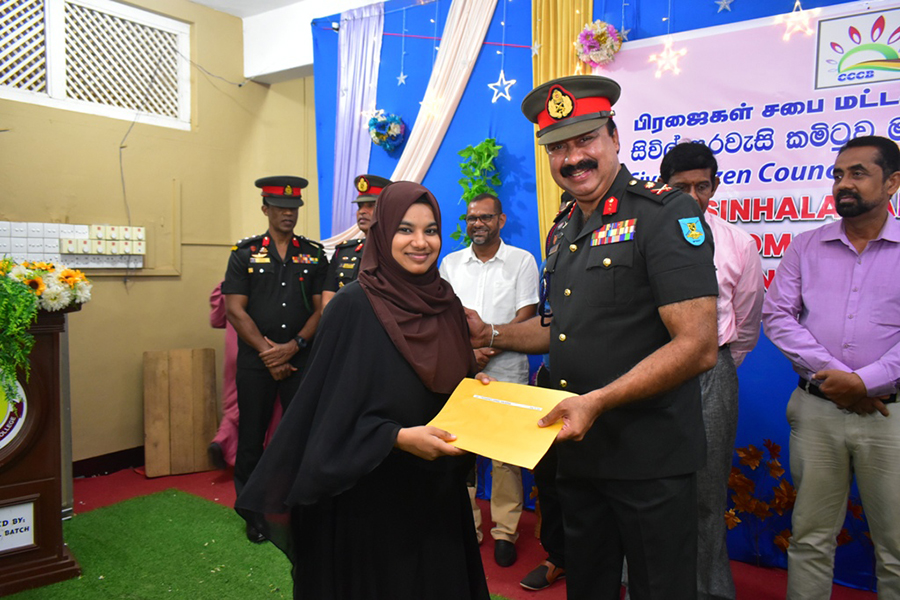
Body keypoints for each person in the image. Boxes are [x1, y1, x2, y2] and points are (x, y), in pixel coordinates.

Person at [467, 75, 719, 600]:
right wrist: (490, 332)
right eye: (558, 147)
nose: (573, 158)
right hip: (576, 451)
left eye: (585, 140)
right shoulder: (562, 229)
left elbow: (697, 344)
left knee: (661, 590)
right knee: (588, 586)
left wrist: (598, 401)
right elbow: (560, 327)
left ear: (615, 136)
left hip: (649, 456)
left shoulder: (665, 213)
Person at [235, 181, 490, 600]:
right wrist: (395, 437)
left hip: (436, 495)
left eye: (431, 230)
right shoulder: (353, 306)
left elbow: (450, 383)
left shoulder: (446, 302)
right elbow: (326, 416)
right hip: (369, 496)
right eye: (405, 229)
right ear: (382, 231)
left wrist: (475, 392)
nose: (420, 243)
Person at [762, 135, 900, 599]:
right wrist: (836, 379)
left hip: (890, 417)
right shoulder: (806, 246)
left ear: (893, 182)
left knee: (896, 548)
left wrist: (865, 382)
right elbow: (777, 315)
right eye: (839, 174)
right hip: (817, 411)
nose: (844, 183)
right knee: (811, 538)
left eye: (858, 173)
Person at [659, 142, 765, 600]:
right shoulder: (646, 234)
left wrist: (714, 365)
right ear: (664, 187)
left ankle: (709, 590)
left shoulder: (738, 243)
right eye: (680, 186)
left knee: (706, 492)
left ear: (715, 186)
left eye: (702, 186)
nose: (692, 196)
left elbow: (746, 320)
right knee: (648, 485)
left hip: (712, 374)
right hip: (650, 373)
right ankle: (642, 581)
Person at [222, 175, 328, 542]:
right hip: (257, 362)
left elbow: (321, 309)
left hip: (300, 360)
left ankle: (299, 507)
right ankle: (252, 511)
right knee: (252, 436)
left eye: (294, 208)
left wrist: (294, 345)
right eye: (280, 207)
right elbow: (235, 310)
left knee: (300, 435)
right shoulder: (245, 254)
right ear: (265, 208)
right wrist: (270, 353)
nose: (288, 213)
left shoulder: (313, 254)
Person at [439, 192, 539, 568]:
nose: (476, 224)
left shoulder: (521, 261)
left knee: (504, 456)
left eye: (484, 217)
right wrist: (468, 353)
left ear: (501, 220)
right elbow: (443, 318)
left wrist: (485, 347)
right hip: (458, 369)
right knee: (459, 452)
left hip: (506, 370)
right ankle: (469, 527)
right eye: (471, 218)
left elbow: (526, 317)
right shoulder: (451, 263)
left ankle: (504, 532)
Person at [207, 281, 283, 470]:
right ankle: (268, 459)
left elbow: (217, 318)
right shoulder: (279, 283)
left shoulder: (233, 281)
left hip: (236, 349)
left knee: (237, 400)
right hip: (264, 346)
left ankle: (222, 440)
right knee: (273, 405)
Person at [322, 174, 392, 307]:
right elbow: (327, 302)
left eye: (371, 205)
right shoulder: (344, 252)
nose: (362, 212)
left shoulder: (397, 252)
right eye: (360, 206)